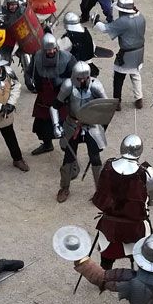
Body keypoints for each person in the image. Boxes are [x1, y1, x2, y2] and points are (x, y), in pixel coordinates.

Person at [91, 134, 153, 269]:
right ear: (140, 151)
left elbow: (101, 192)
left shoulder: (107, 165)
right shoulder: (146, 173)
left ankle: (104, 278)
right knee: (142, 254)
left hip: (109, 225)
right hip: (135, 227)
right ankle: (138, 279)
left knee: (107, 256)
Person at [56, 61, 112, 201]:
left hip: (91, 126)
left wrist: (101, 126)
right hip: (72, 125)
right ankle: (64, 187)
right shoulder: (68, 86)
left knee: (95, 159)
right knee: (68, 158)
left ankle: (100, 192)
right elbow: (54, 106)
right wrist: (56, 124)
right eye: (79, 78)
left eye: (85, 78)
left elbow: (106, 107)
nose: (82, 81)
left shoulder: (96, 85)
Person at [95, 0, 146, 109]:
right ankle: (139, 99)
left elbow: (105, 28)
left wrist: (96, 22)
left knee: (118, 77)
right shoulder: (141, 17)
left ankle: (116, 102)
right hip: (139, 51)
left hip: (126, 54)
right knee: (135, 74)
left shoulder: (123, 21)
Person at [28, 33, 73, 155]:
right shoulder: (37, 56)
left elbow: (75, 79)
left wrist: (62, 82)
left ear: (57, 48)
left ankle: (69, 152)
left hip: (60, 97)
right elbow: (30, 70)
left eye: (53, 49)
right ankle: (47, 145)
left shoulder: (67, 58)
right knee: (40, 127)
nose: (51, 51)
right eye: (48, 50)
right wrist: (28, 79)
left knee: (65, 127)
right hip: (44, 95)